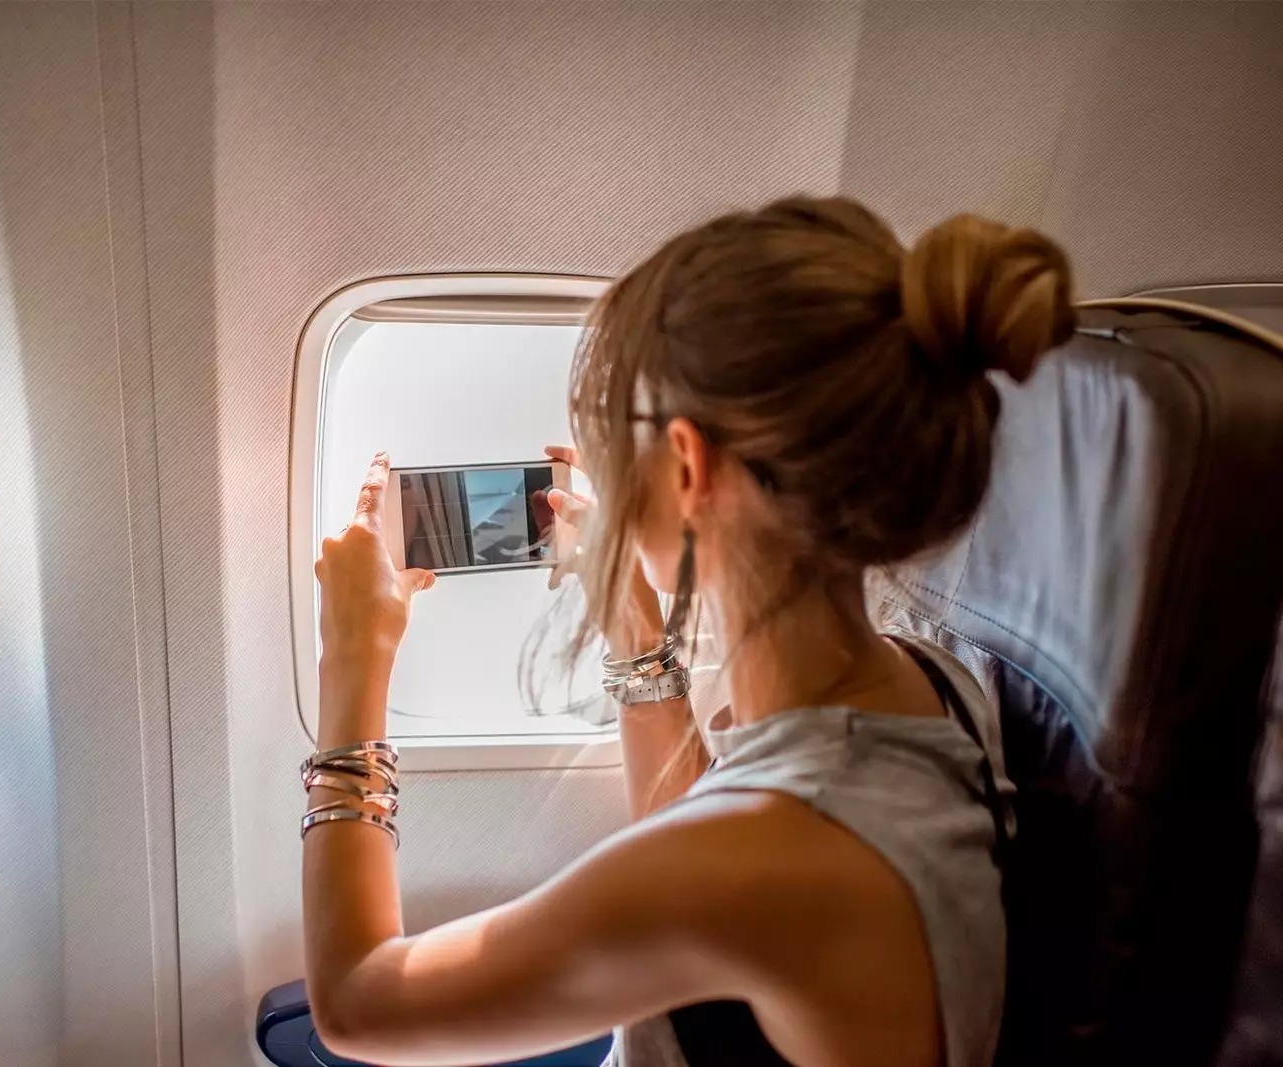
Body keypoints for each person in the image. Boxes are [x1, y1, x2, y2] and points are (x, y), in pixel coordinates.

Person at [301, 196, 1073, 1067]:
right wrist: (630, 607)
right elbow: (707, 841)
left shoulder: (768, 864)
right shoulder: (931, 681)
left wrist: (353, 663)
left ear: (689, 462)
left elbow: (359, 1001)